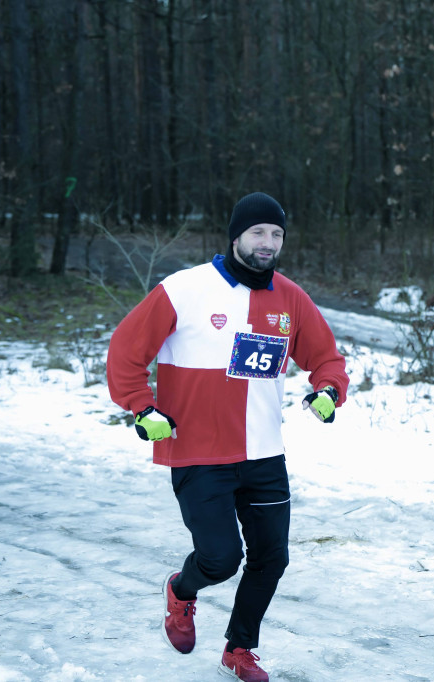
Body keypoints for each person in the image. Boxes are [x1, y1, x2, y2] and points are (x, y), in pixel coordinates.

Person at [107, 192, 349, 682]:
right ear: (236, 235)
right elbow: (125, 352)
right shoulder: (184, 289)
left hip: (263, 453)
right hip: (198, 450)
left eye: (276, 234)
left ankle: (239, 649)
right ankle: (181, 589)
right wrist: (141, 405)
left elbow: (326, 359)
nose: (268, 242)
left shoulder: (290, 298)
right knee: (220, 559)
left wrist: (328, 389)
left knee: (271, 558)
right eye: (258, 232)